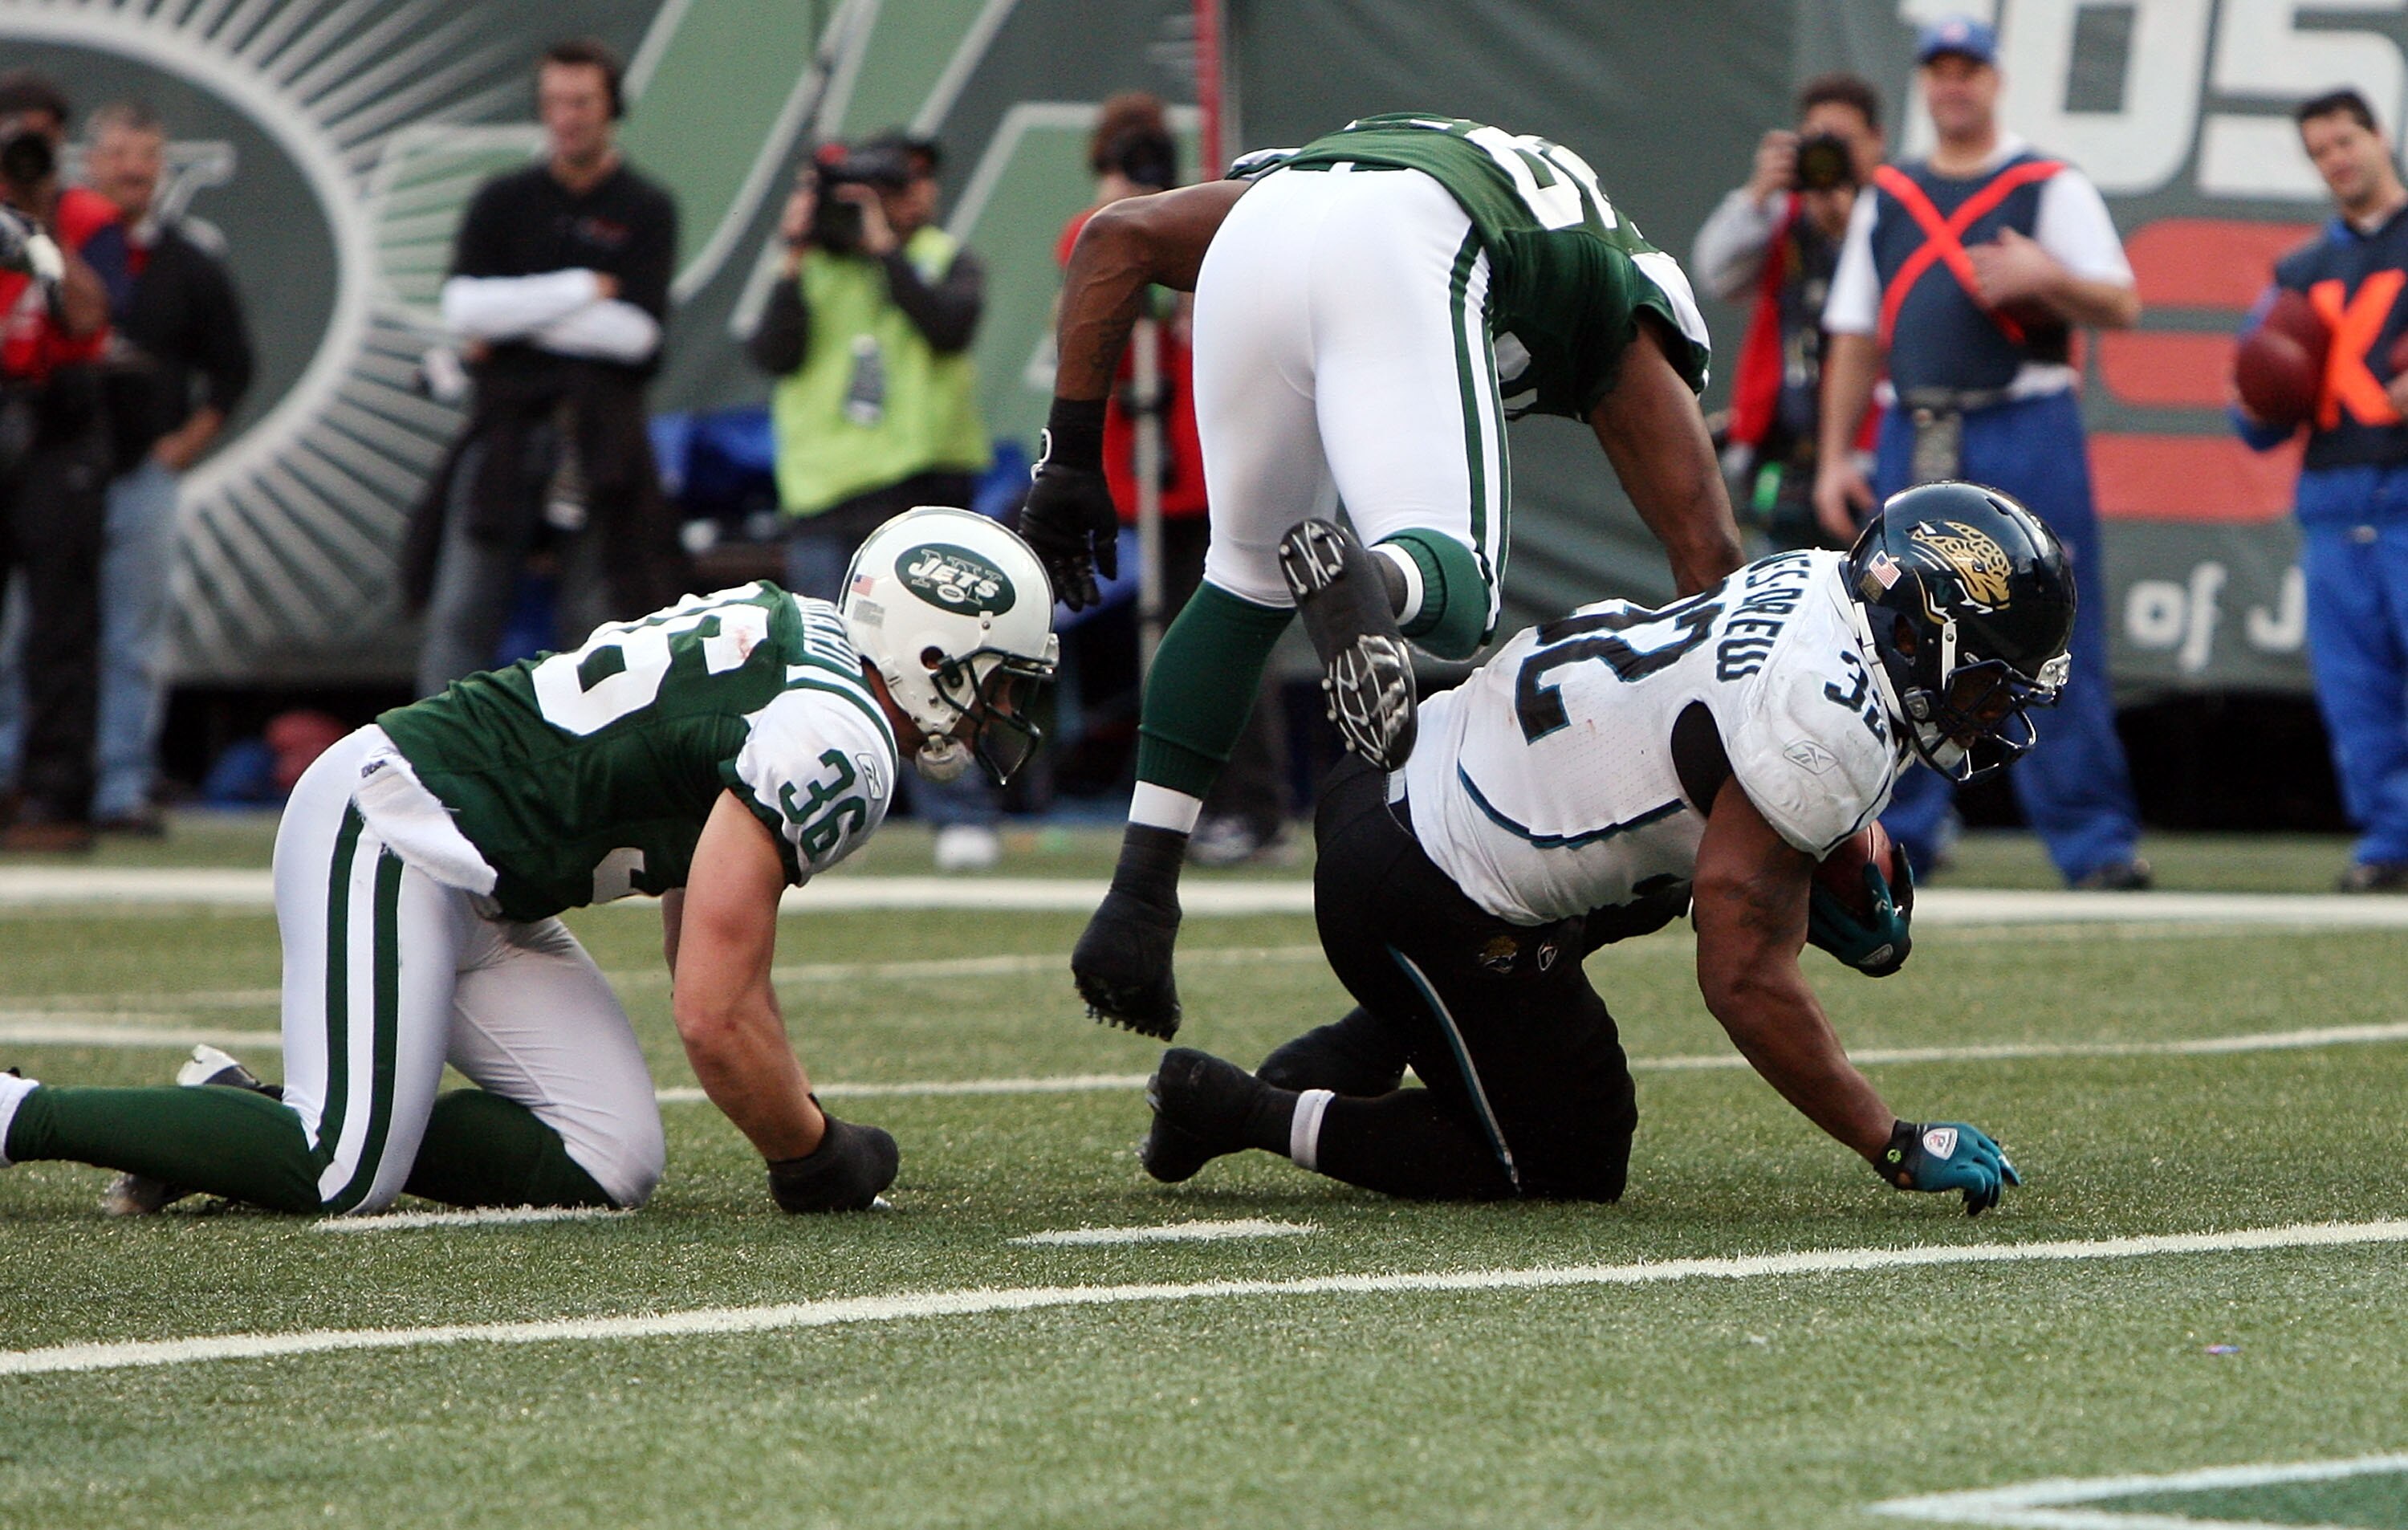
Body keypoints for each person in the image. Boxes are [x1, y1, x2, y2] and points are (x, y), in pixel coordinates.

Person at [0, 508, 1059, 1217]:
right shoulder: (844, 738)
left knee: (609, 1156)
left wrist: (794, 1118)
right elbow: (711, 1012)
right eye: (997, 680)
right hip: (402, 826)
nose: (999, 708)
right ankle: (18, 1110)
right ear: (929, 648)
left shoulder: (808, 648)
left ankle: (233, 1119)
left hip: (493, 884)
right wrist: (814, 1153)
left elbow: (704, 890)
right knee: (340, 1169)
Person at [1139, 482, 2060, 1215]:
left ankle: (1392, 1030)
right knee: (1568, 1155)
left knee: (1662, 874)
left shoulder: (1825, 580)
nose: (1991, 712)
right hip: (1418, 880)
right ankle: (1243, 1111)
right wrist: (1888, 1139)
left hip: (1420, 756)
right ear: (1914, 631)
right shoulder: (1826, 727)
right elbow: (1741, 979)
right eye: (1986, 683)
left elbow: (1720, 756)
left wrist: (1828, 851)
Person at [1023, 112, 1746, 1038]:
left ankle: (1137, 902)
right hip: (1417, 234)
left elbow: (1114, 235)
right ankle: (1373, 578)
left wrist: (1069, 454)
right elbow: (1710, 561)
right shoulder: (1615, 295)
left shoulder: (1313, 175)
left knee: (1243, 572)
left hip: (1265, 232)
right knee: (1457, 584)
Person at [1812, 16, 2150, 891]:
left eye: (1969, 71)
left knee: (2056, 627)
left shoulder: (2047, 184)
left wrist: (2050, 280)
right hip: (1914, 428)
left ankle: (2093, 840)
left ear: (1995, 81)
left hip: (2024, 425)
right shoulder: (1890, 195)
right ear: (1926, 84)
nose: (1953, 86)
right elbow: (1854, 333)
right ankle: (1905, 832)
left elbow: (2119, 302)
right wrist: (1831, 457)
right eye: (1940, 72)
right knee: (1899, 634)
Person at [746, 130, 1003, 872]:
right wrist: (796, 247)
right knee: (822, 669)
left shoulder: (939, 259)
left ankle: (960, 809)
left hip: (917, 491)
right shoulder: (812, 269)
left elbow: (947, 326)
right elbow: (771, 351)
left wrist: (885, 248)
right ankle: (826, 814)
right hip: (827, 492)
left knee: (941, 665)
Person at [0, 100, 254, 836]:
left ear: (165, 167)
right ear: (92, 161)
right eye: (118, 154)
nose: (133, 169)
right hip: (50, 454)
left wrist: (182, 445)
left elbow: (232, 371)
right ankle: (18, 776)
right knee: (32, 632)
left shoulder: (187, 262)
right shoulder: (40, 236)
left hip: (135, 467)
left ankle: (118, 784)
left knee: (129, 639)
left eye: (147, 156)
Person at [403, 38, 683, 699]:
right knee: (463, 609)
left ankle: (595, 772)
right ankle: (426, 771)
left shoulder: (646, 206)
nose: (567, 116)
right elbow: (465, 308)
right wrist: (583, 287)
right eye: (555, 101)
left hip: (599, 444)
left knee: (598, 617)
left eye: (582, 101)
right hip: (503, 434)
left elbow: (636, 336)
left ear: (611, 107)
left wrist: (516, 315)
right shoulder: (503, 199)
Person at [1053, 92, 1289, 865]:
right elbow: (1093, 270)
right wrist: (1126, 209)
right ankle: (1191, 808)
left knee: (1219, 637)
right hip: (1146, 474)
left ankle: (1250, 807)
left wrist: (1148, 210)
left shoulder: (1203, 226)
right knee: (1174, 638)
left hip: (1203, 469)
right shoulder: (1113, 231)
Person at [2233, 90, 2408, 892]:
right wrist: (2263, 391)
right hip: (2336, 500)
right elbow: (2255, 421)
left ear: (2380, 137)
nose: (2338, 160)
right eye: (2321, 151)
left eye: (2346, 141)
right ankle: (2389, 841)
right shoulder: (2299, 275)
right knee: (2356, 693)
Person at [0, 71, 124, 852]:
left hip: (57, 421)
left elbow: (91, 313)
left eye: (39, 136)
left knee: (60, 625)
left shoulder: (85, 217)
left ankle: (53, 796)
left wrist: (39, 226)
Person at [1692, 73, 1886, 554]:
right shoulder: (1780, 217)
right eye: (1818, 141)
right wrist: (1757, 196)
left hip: (1871, 465)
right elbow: (1714, 273)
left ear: (1876, 143)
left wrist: (1850, 230)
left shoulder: (1893, 217)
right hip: (1779, 462)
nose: (1830, 156)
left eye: (1843, 142)